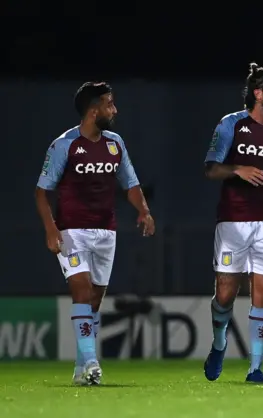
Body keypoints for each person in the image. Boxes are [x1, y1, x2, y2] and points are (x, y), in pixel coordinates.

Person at [34, 82, 155, 385]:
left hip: (106, 231)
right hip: (71, 231)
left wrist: (143, 209)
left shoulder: (115, 143)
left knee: (95, 302)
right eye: (110, 104)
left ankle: (80, 370)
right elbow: (41, 191)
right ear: (93, 110)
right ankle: (92, 362)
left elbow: (130, 183)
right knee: (82, 292)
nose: (115, 110)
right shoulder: (65, 145)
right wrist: (51, 229)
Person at [203, 63, 263, 384]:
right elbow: (210, 169)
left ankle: (255, 368)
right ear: (258, 94)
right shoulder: (231, 125)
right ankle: (219, 344)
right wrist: (237, 169)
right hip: (232, 221)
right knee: (226, 294)